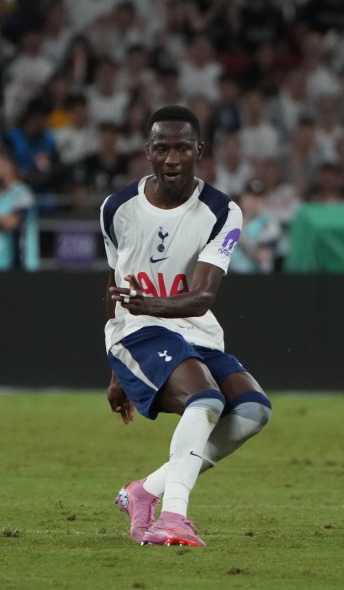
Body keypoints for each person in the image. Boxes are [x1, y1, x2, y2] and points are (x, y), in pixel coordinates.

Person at [100, 105, 272, 547]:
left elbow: (203, 296)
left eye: (181, 148)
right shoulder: (116, 209)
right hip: (137, 332)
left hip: (194, 327)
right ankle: (173, 517)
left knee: (253, 410)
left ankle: (145, 492)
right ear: (148, 152)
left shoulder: (220, 211)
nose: (171, 159)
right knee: (206, 399)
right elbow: (116, 289)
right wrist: (118, 372)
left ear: (199, 150)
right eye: (161, 149)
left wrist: (149, 303)